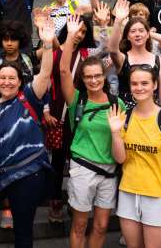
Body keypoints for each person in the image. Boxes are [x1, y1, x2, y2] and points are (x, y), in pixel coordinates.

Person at [0, 22, 55, 248]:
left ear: (20, 82)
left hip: (28, 174)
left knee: (23, 231)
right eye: (2, 78)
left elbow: (46, 73)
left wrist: (48, 44)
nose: (6, 82)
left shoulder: (28, 98)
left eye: (12, 78)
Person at [59, 15, 125, 248]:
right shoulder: (77, 99)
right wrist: (70, 36)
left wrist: (112, 25)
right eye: (88, 77)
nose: (94, 80)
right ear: (83, 80)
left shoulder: (117, 103)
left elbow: (112, 53)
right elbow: (64, 72)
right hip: (83, 167)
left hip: (109, 170)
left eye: (98, 75)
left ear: (104, 76)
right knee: (79, 225)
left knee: (101, 226)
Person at [108, 65, 161, 248]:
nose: (139, 88)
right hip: (128, 192)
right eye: (134, 83)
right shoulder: (125, 117)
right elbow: (120, 159)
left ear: (155, 85)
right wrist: (115, 134)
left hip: (158, 195)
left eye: (144, 83)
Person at [44, 13, 101, 224]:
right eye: (76, 30)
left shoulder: (90, 54)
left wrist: (106, 23)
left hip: (82, 114)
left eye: (84, 32)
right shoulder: (58, 52)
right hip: (59, 112)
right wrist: (46, 111)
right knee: (57, 161)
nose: (79, 35)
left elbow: (110, 50)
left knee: (78, 160)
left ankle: (77, 201)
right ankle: (55, 202)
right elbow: (46, 81)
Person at [108, 0, 161, 109]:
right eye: (133, 31)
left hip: (152, 114)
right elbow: (112, 49)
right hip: (126, 113)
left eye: (141, 31)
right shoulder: (122, 58)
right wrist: (118, 21)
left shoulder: (160, 61)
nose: (137, 34)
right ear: (127, 36)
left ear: (148, 34)